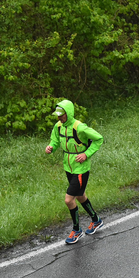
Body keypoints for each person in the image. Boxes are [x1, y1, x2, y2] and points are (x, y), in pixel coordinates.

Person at [45, 100, 104, 244]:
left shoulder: (80, 127)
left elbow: (99, 139)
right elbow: (55, 140)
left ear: (68, 113)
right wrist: (51, 146)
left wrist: (86, 154)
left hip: (81, 168)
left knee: (68, 199)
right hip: (68, 166)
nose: (59, 117)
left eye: (61, 115)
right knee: (79, 195)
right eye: (57, 115)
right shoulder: (58, 126)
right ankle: (96, 220)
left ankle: (76, 230)